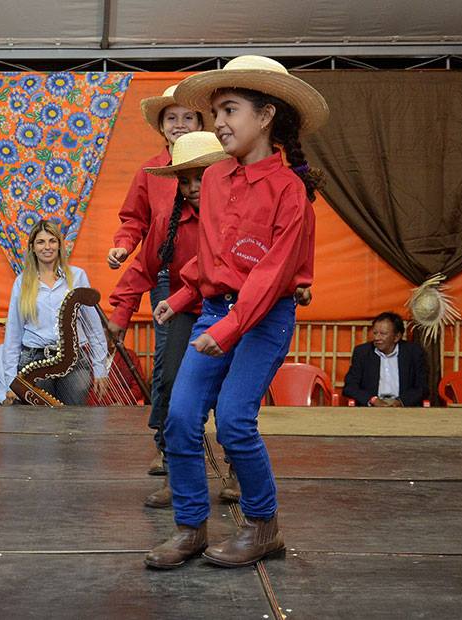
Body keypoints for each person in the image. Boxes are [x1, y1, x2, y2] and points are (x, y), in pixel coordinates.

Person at [145, 55, 329, 570]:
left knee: (233, 421)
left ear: (266, 115)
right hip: (215, 312)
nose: (218, 122)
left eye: (230, 110)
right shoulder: (218, 179)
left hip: (264, 319)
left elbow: (271, 276)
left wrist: (226, 329)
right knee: (180, 419)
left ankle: (263, 526)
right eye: (217, 112)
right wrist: (182, 297)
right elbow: (213, 257)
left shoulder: (291, 191)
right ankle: (190, 528)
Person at [108, 131, 230, 509]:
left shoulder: (237, 216)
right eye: (185, 180)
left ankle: (237, 469)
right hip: (184, 309)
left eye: (201, 178)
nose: (193, 188)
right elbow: (144, 268)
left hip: (233, 310)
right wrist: (120, 313)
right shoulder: (168, 220)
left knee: (230, 397)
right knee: (175, 385)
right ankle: (179, 479)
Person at [107, 85, 208, 472]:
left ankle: (226, 454)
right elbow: (135, 222)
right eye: (172, 118)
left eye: (188, 117)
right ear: (161, 127)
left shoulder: (222, 170)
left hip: (223, 286)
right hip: (168, 274)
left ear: (201, 123)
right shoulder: (150, 171)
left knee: (220, 370)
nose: (180, 124)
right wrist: (122, 245)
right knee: (170, 361)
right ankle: (166, 442)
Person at [3, 220, 109, 406]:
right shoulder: (22, 283)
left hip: (75, 361)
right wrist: (12, 381)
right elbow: (13, 333)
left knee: (74, 423)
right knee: (40, 427)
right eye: (41, 242)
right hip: (34, 360)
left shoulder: (77, 277)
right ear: (32, 248)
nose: (47, 247)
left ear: (60, 245)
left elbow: (94, 327)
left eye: (52, 241)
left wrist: (101, 370)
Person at [343, 312, 428, 407]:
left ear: (396, 337)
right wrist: (373, 400)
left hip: (403, 407)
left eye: (383, 334)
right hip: (372, 407)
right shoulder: (362, 353)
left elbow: (422, 388)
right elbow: (350, 387)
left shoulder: (413, 352)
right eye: (375, 333)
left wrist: (401, 402)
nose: (377, 338)